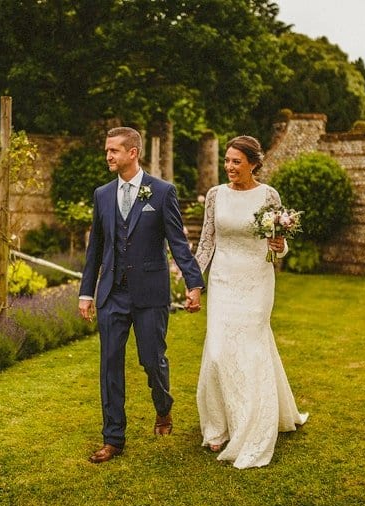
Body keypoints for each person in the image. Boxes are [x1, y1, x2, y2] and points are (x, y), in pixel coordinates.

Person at [79, 127, 205, 464]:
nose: (108, 156)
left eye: (114, 150)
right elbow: (95, 249)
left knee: (152, 360)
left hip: (150, 294)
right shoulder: (102, 194)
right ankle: (113, 438)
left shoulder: (162, 192)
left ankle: (163, 407)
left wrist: (193, 284)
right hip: (112, 294)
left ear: (132, 153)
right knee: (110, 365)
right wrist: (86, 293)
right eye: (107, 150)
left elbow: (178, 242)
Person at [193, 135, 309, 469]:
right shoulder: (215, 195)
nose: (229, 167)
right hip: (223, 280)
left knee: (250, 349)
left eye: (236, 162)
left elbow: (279, 243)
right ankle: (217, 426)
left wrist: (281, 247)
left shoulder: (268, 195)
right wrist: (194, 281)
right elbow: (206, 241)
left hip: (257, 280)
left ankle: (251, 424)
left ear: (253, 164)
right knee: (217, 351)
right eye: (227, 161)